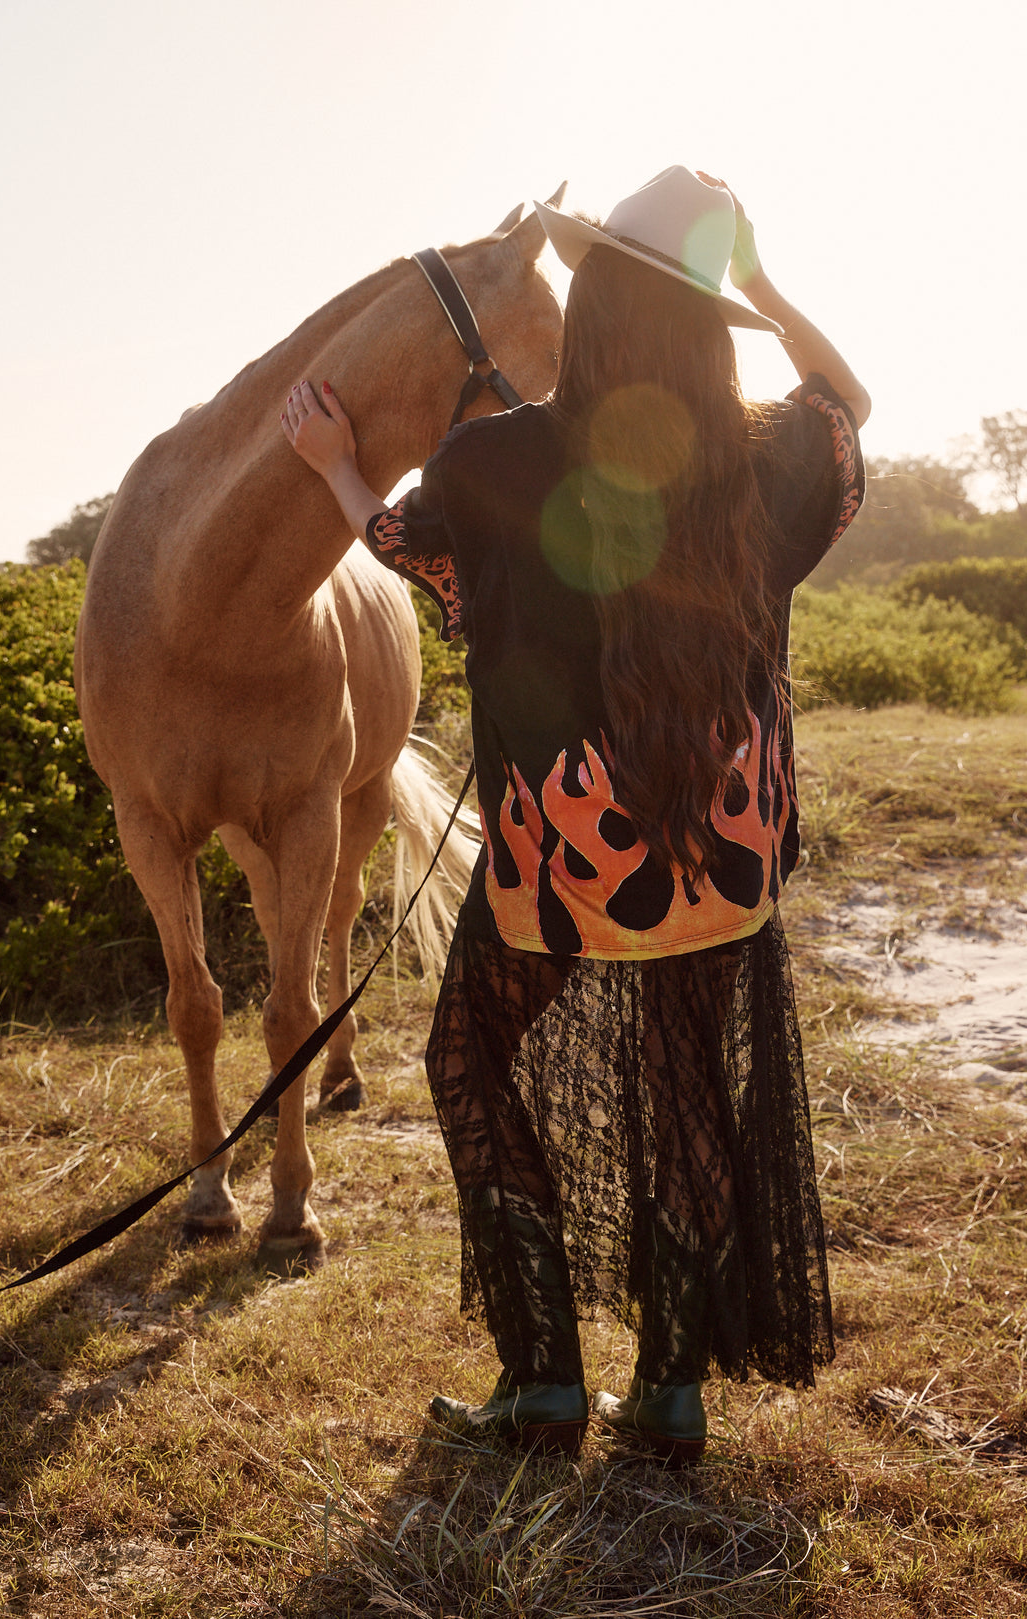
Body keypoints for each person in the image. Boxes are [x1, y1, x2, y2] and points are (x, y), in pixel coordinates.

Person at [281, 166, 869, 1462]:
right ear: (711, 327)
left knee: (467, 1058)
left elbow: (411, 552)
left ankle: (542, 1379)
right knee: (688, 1088)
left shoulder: (492, 456)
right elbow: (848, 404)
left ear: (591, 298)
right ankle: (668, 1394)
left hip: (565, 856)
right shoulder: (767, 452)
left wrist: (331, 466)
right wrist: (761, 280)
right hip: (720, 852)